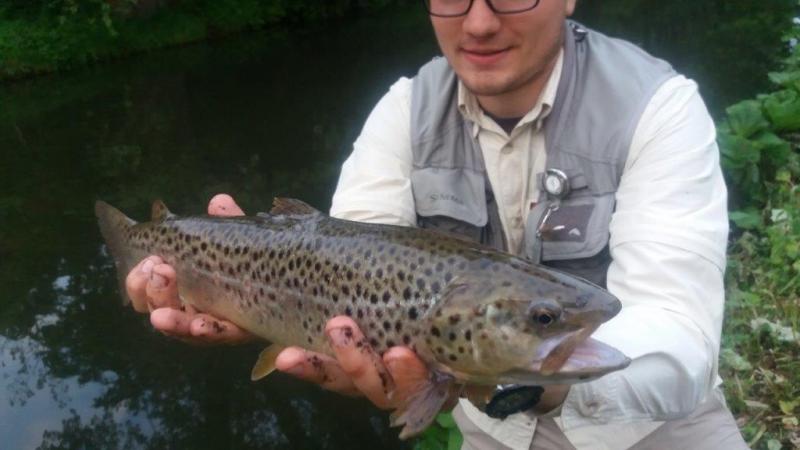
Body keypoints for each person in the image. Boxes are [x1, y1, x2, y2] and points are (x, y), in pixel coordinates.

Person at [125, 0, 750, 448]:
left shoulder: (657, 106)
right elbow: (346, 253)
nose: (478, 22)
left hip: (659, 428)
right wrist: (235, 284)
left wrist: (539, 383)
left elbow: (682, 336)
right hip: (493, 436)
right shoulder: (403, 111)